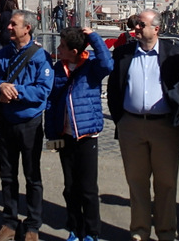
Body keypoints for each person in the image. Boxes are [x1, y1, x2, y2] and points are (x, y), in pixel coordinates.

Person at [107, 10, 179, 241]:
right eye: (136, 24)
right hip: (131, 126)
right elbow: (114, 89)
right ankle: (139, 231)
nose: (136, 28)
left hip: (164, 127)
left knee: (166, 183)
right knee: (136, 182)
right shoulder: (123, 53)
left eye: (141, 24)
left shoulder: (174, 54)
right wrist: (120, 119)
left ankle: (166, 233)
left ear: (156, 29)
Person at [0, 10, 54, 241]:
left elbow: (43, 90)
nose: (8, 27)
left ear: (27, 28)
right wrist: (0, 87)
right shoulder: (4, 53)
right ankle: (10, 223)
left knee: (32, 176)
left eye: (13, 24)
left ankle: (33, 226)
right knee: (7, 176)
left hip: (30, 124)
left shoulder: (41, 57)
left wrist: (14, 92)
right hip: (6, 123)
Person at [46, 26, 113, 241]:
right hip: (64, 136)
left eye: (63, 46)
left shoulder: (92, 67)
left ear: (74, 51)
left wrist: (93, 36)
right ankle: (75, 228)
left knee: (88, 189)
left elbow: (107, 63)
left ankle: (92, 232)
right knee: (70, 187)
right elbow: (52, 102)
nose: (59, 49)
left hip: (86, 136)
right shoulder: (59, 68)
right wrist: (51, 134)